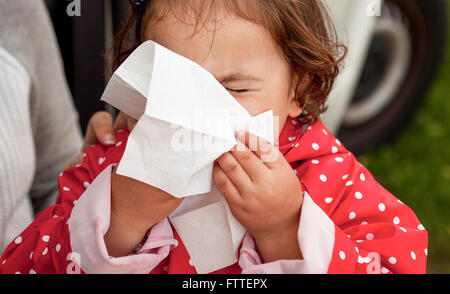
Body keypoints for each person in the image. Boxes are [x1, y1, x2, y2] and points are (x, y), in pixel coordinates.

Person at [0, 0, 428, 274]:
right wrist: (116, 222)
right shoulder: (113, 166)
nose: (200, 114)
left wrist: (284, 229)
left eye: (234, 89)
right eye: (174, 85)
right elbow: (23, 264)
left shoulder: (327, 177)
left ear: (299, 87)